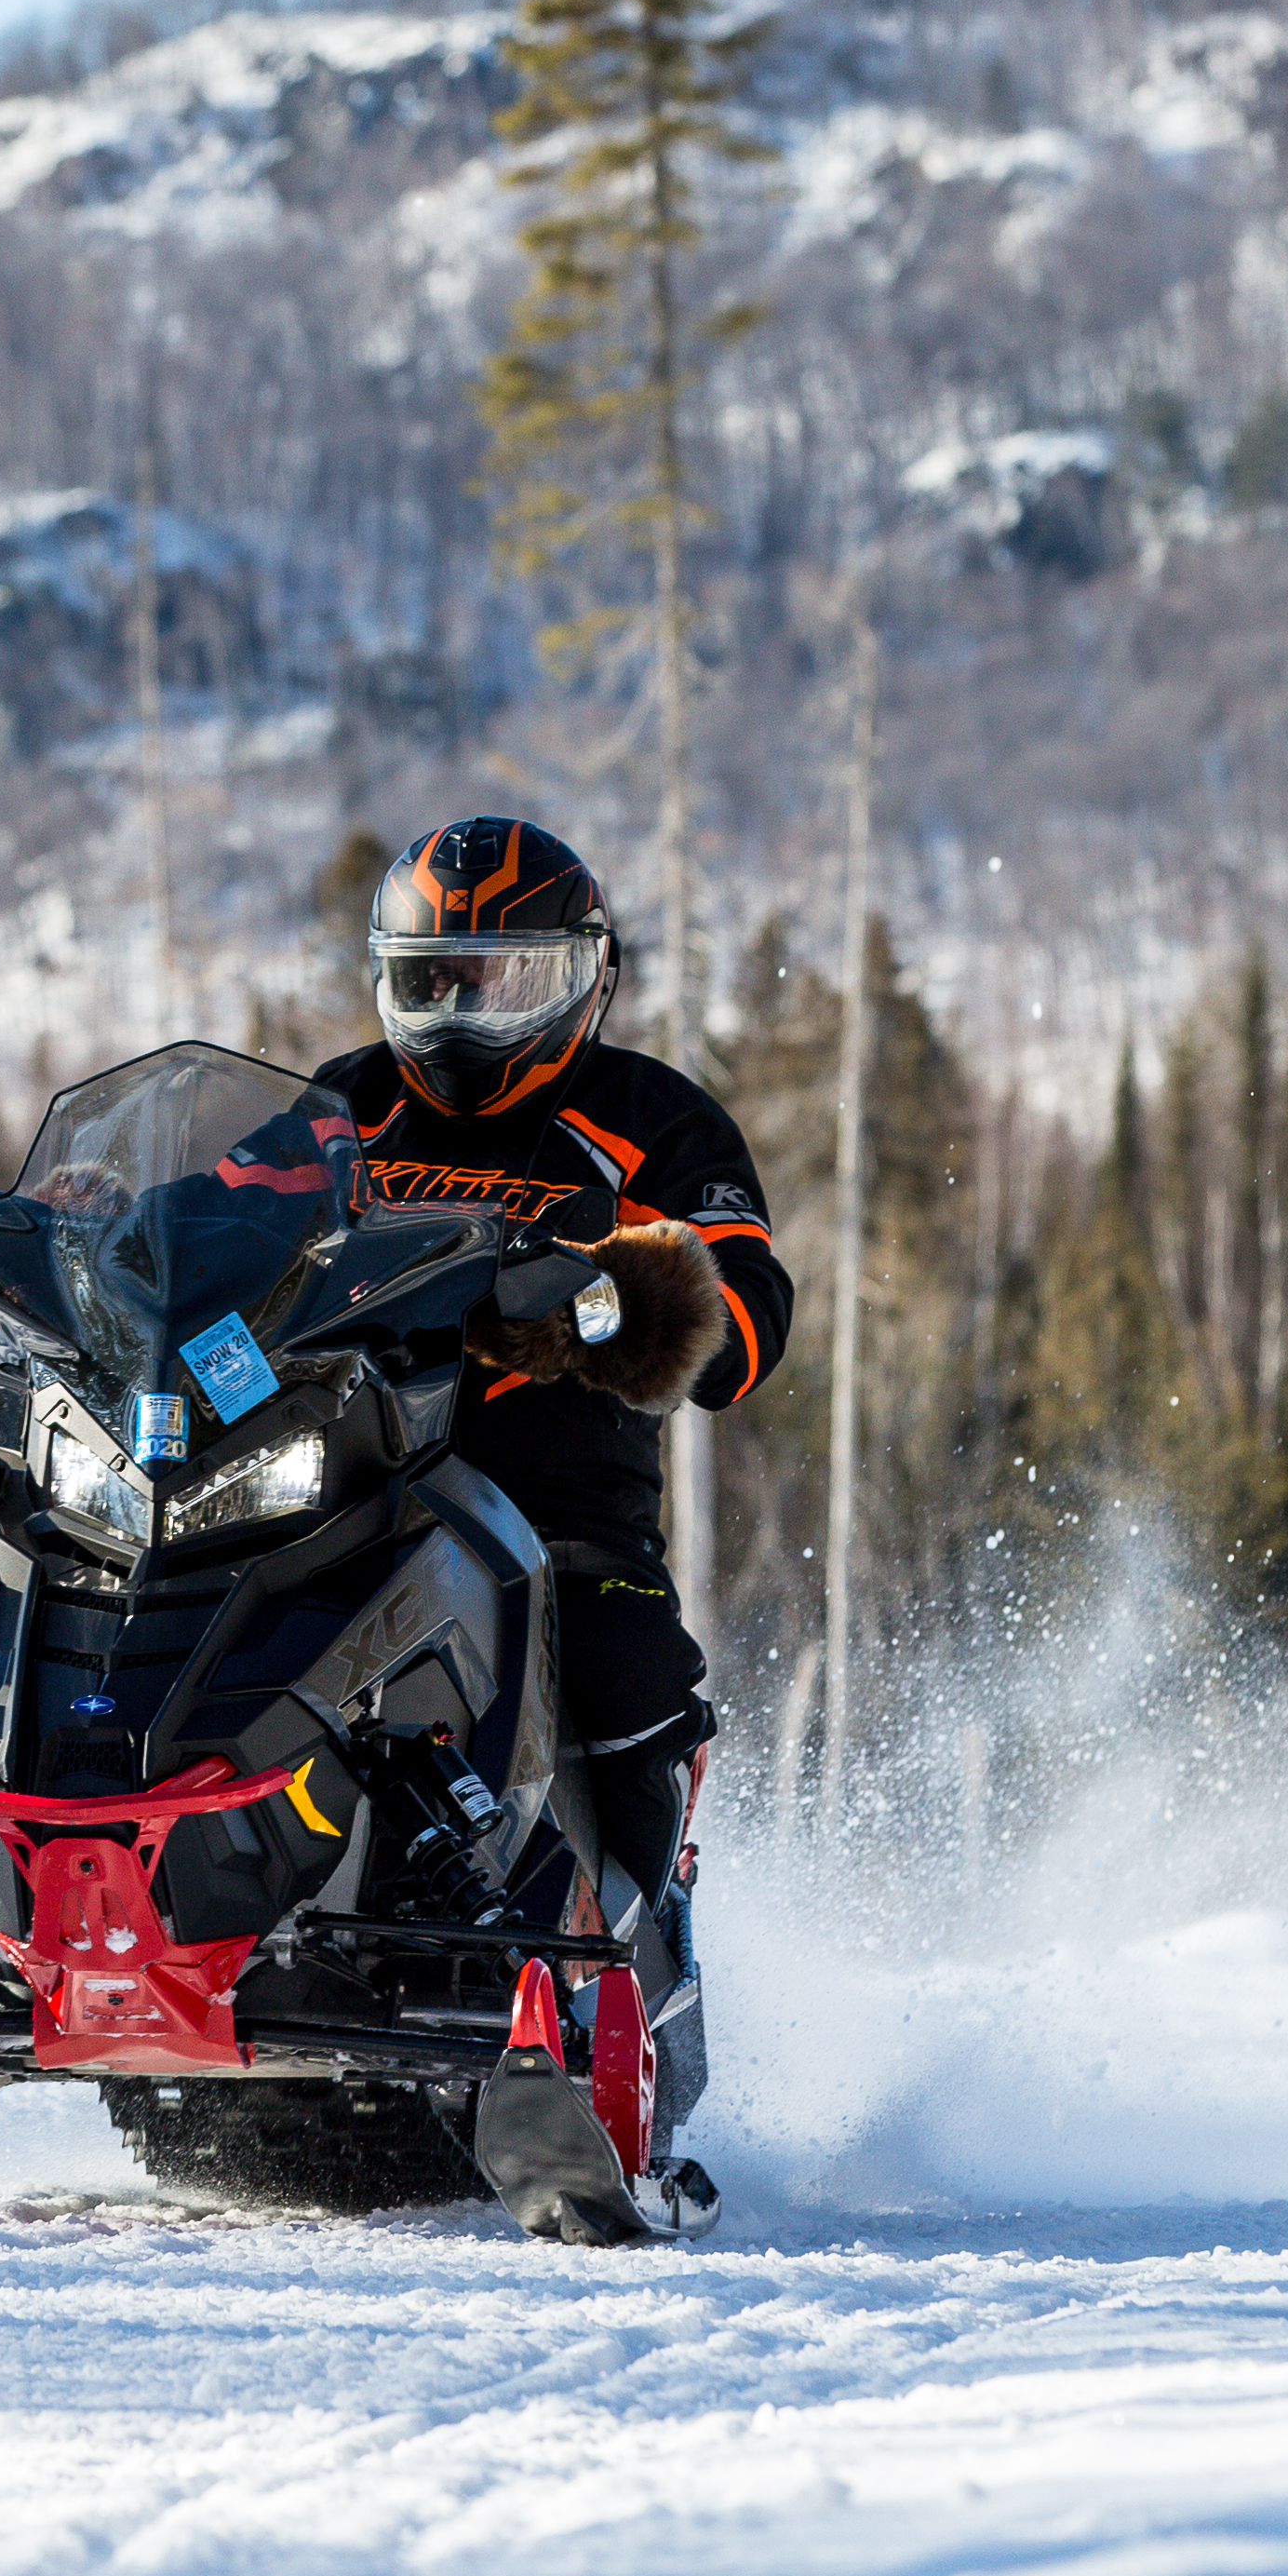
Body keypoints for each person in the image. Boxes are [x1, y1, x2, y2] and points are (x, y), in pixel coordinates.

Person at [315, 815, 787, 1944]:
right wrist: (126, 1237)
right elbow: (224, 1214)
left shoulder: (651, 1119)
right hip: (339, 1470)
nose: (464, 1012)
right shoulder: (341, 1105)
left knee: (625, 1670)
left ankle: (617, 1933)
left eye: (503, 979)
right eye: (432, 985)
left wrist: (618, 1305)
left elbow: (747, 1313)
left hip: (550, 1494)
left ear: (583, 978)